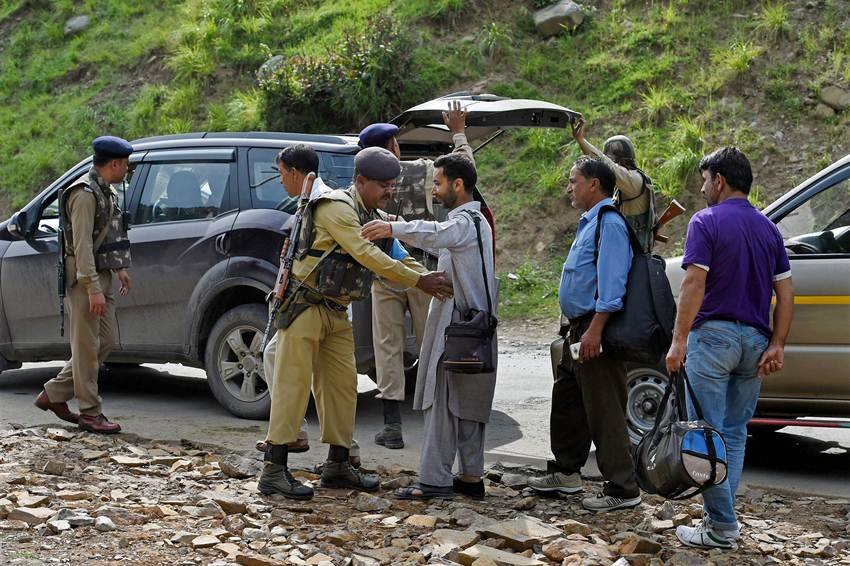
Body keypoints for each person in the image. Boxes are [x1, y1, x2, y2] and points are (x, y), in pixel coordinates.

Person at [258, 146, 452, 500]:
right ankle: (273, 470)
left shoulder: (371, 214)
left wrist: (428, 276)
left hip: (335, 311)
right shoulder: (337, 209)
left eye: (392, 185)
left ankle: (337, 464)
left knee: (342, 389)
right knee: (293, 388)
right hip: (305, 309)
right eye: (383, 185)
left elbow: (396, 253)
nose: (389, 191)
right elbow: (367, 255)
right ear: (360, 181)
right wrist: (419, 283)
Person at [665, 147, 793, 550]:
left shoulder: (706, 221)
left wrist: (678, 339)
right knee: (734, 435)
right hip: (754, 343)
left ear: (719, 180)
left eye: (705, 180)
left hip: (714, 340)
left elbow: (693, 284)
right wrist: (777, 344)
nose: (703, 187)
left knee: (706, 435)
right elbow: (786, 294)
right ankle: (720, 519)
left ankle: (721, 527)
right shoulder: (769, 229)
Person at [361, 152, 497, 501]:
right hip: (477, 331)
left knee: (444, 405)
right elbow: (437, 235)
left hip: (459, 332)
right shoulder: (477, 221)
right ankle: (470, 478)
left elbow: (436, 234)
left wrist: (393, 228)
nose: (434, 191)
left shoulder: (465, 221)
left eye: (437, 184)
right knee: (468, 408)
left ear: (458, 185)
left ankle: (433, 481)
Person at [357, 100, 474, 450]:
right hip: (425, 273)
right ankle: (439, 423)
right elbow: (466, 170)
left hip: (384, 273)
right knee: (433, 345)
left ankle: (392, 427)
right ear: (393, 146)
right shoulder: (417, 171)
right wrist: (458, 133)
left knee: (387, 349)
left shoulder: (361, 183)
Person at [528, 156, 641, 512]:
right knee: (568, 400)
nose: (568, 187)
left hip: (595, 328)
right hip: (578, 328)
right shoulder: (589, 223)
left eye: (573, 181)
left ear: (594, 184)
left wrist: (595, 331)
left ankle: (623, 488)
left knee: (604, 407)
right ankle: (566, 472)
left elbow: (612, 284)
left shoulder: (609, 223)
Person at [256, 144, 362, 467]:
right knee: (281, 360)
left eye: (280, 174)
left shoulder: (324, 203)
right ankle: (311, 447)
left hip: (320, 306)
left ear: (294, 172)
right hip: (308, 306)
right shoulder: (305, 203)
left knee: (331, 383)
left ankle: (331, 453)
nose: (279, 181)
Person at [35, 136, 133, 434]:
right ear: (113, 164)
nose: (127, 170)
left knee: (102, 342)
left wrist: (119, 269)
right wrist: (92, 288)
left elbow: (107, 235)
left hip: (101, 275)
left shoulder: (106, 190)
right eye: (125, 165)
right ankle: (90, 412)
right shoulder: (85, 194)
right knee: (87, 346)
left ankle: (53, 394)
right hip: (84, 279)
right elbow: (81, 247)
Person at [571, 116, 656, 251]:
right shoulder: (624, 183)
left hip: (635, 256)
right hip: (625, 251)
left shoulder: (633, 180)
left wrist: (581, 140)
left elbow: (604, 164)